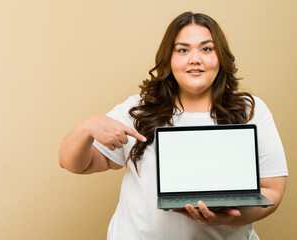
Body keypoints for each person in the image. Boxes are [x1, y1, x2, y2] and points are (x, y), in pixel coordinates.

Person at [59, 12, 288, 240]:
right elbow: (77, 164)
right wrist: (85, 129)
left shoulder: (250, 111)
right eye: (183, 50)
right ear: (169, 58)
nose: (195, 59)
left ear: (221, 57)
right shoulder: (139, 109)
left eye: (206, 49)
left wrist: (230, 217)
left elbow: (272, 190)